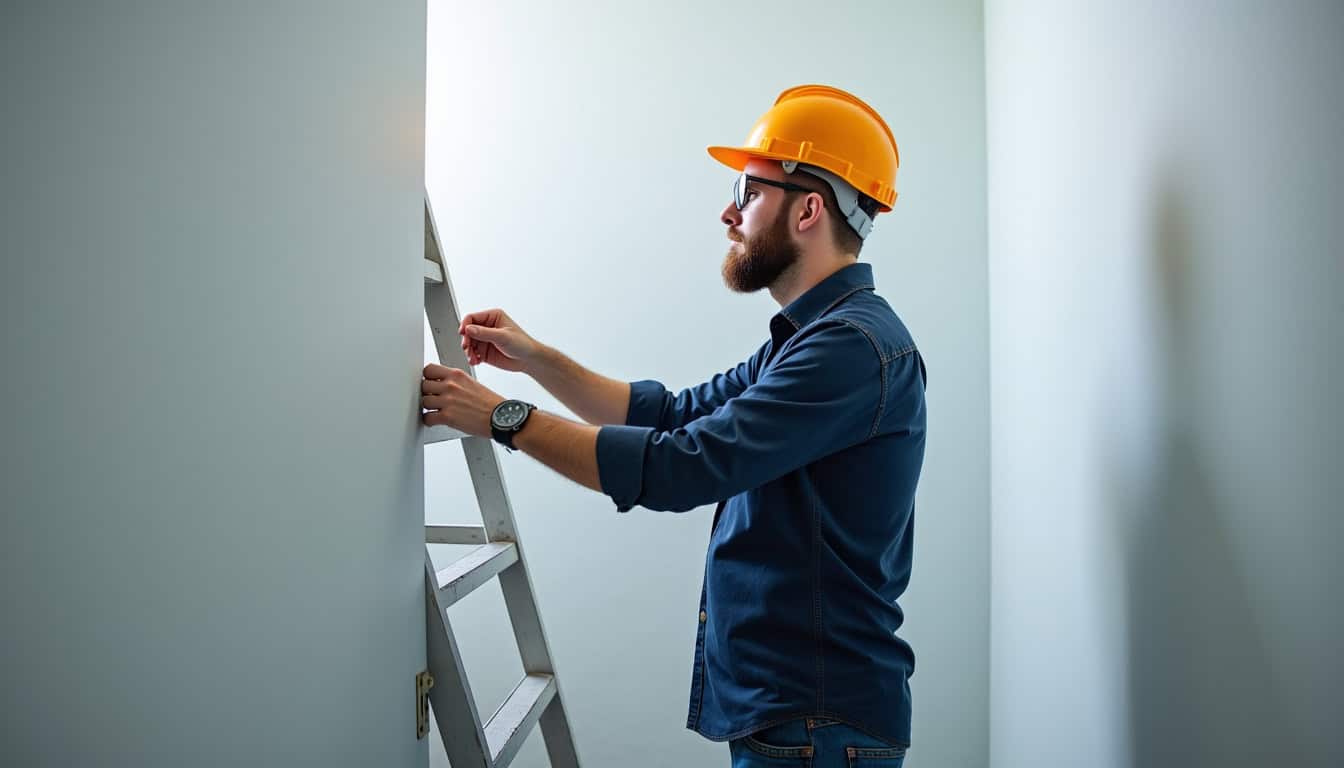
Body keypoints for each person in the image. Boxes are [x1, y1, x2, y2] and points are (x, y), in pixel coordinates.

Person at [420, 84, 926, 768]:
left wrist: (503, 420)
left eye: (749, 191)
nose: (728, 211)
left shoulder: (850, 349)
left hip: (817, 723)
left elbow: (682, 466)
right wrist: (536, 360)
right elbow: (674, 413)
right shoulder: (812, 339)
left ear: (809, 209)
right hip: (799, 717)